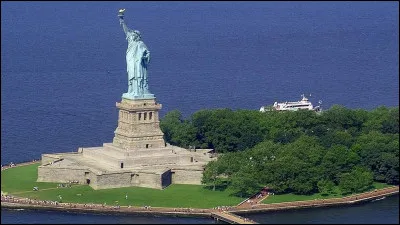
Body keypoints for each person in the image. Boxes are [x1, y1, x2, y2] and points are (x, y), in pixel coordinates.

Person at [119, 14, 153, 99]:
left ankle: (141, 90)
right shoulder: (131, 41)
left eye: (134, 34)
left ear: (137, 36)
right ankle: (131, 90)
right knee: (131, 76)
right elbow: (126, 31)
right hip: (131, 61)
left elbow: (148, 53)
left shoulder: (141, 44)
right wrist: (122, 21)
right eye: (132, 34)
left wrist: (144, 57)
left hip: (139, 64)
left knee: (138, 76)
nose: (132, 35)